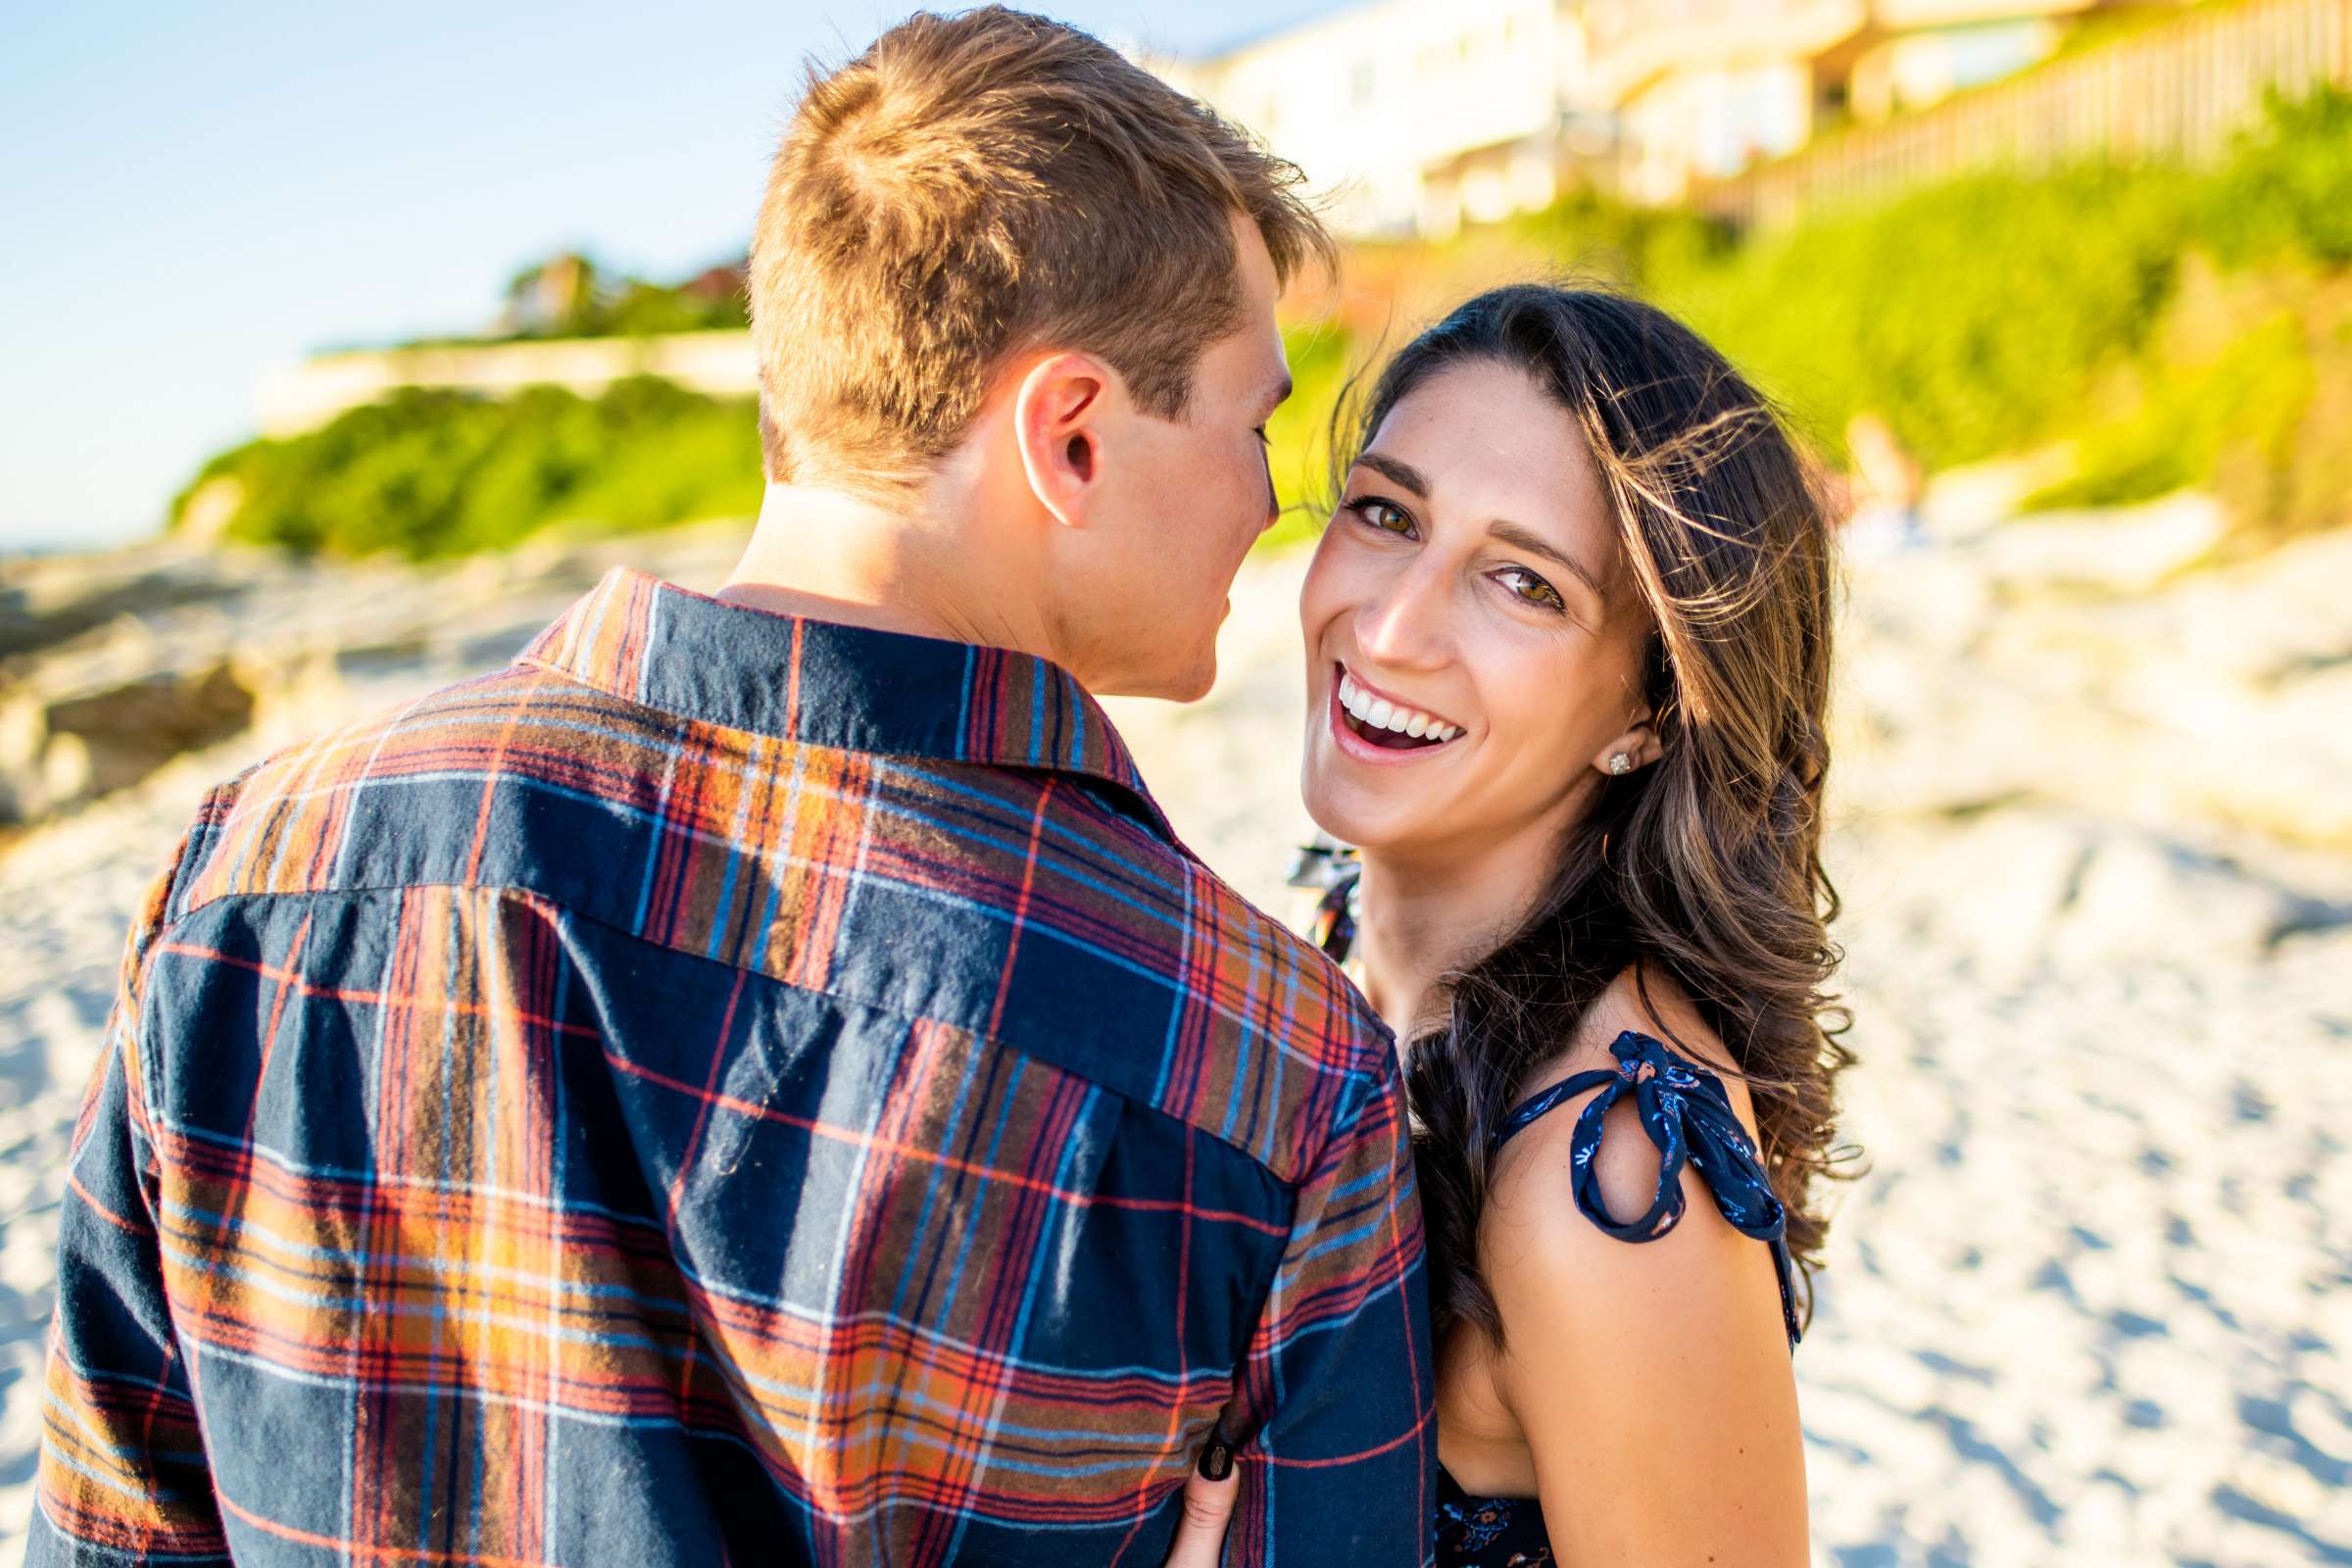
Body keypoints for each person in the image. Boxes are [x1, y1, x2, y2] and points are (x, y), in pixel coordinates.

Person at [27, 12, 1434, 1565]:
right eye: (1254, 422)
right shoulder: (1261, 1067)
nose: (1269, 495)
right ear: (1074, 439)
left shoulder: (264, 863)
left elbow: (119, 1532)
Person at [1167, 284, 1855, 1565]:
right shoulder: (1336, 921)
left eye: (1524, 584)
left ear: (1649, 711)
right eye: (1387, 514)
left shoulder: (1614, 1175)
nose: (1390, 625)